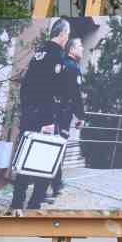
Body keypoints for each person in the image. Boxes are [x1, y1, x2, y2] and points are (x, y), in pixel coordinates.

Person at [9, 19, 75, 211]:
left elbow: (26, 86)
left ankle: (16, 201)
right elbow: (52, 89)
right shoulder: (56, 55)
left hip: (30, 114)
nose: (67, 38)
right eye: (67, 34)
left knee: (25, 158)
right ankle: (35, 202)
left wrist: (27, 110)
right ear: (63, 34)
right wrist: (48, 120)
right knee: (46, 158)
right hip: (45, 116)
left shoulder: (39, 53)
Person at [42, 38, 88, 203]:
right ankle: (49, 188)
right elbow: (75, 96)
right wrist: (81, 117)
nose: (82, 49)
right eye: (80, 46)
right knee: (56, 150)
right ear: (71, 50)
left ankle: (56, 185)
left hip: (50, 113)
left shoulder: (60, 64)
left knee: (53, 149)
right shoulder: (73, 68)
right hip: (61, 115)